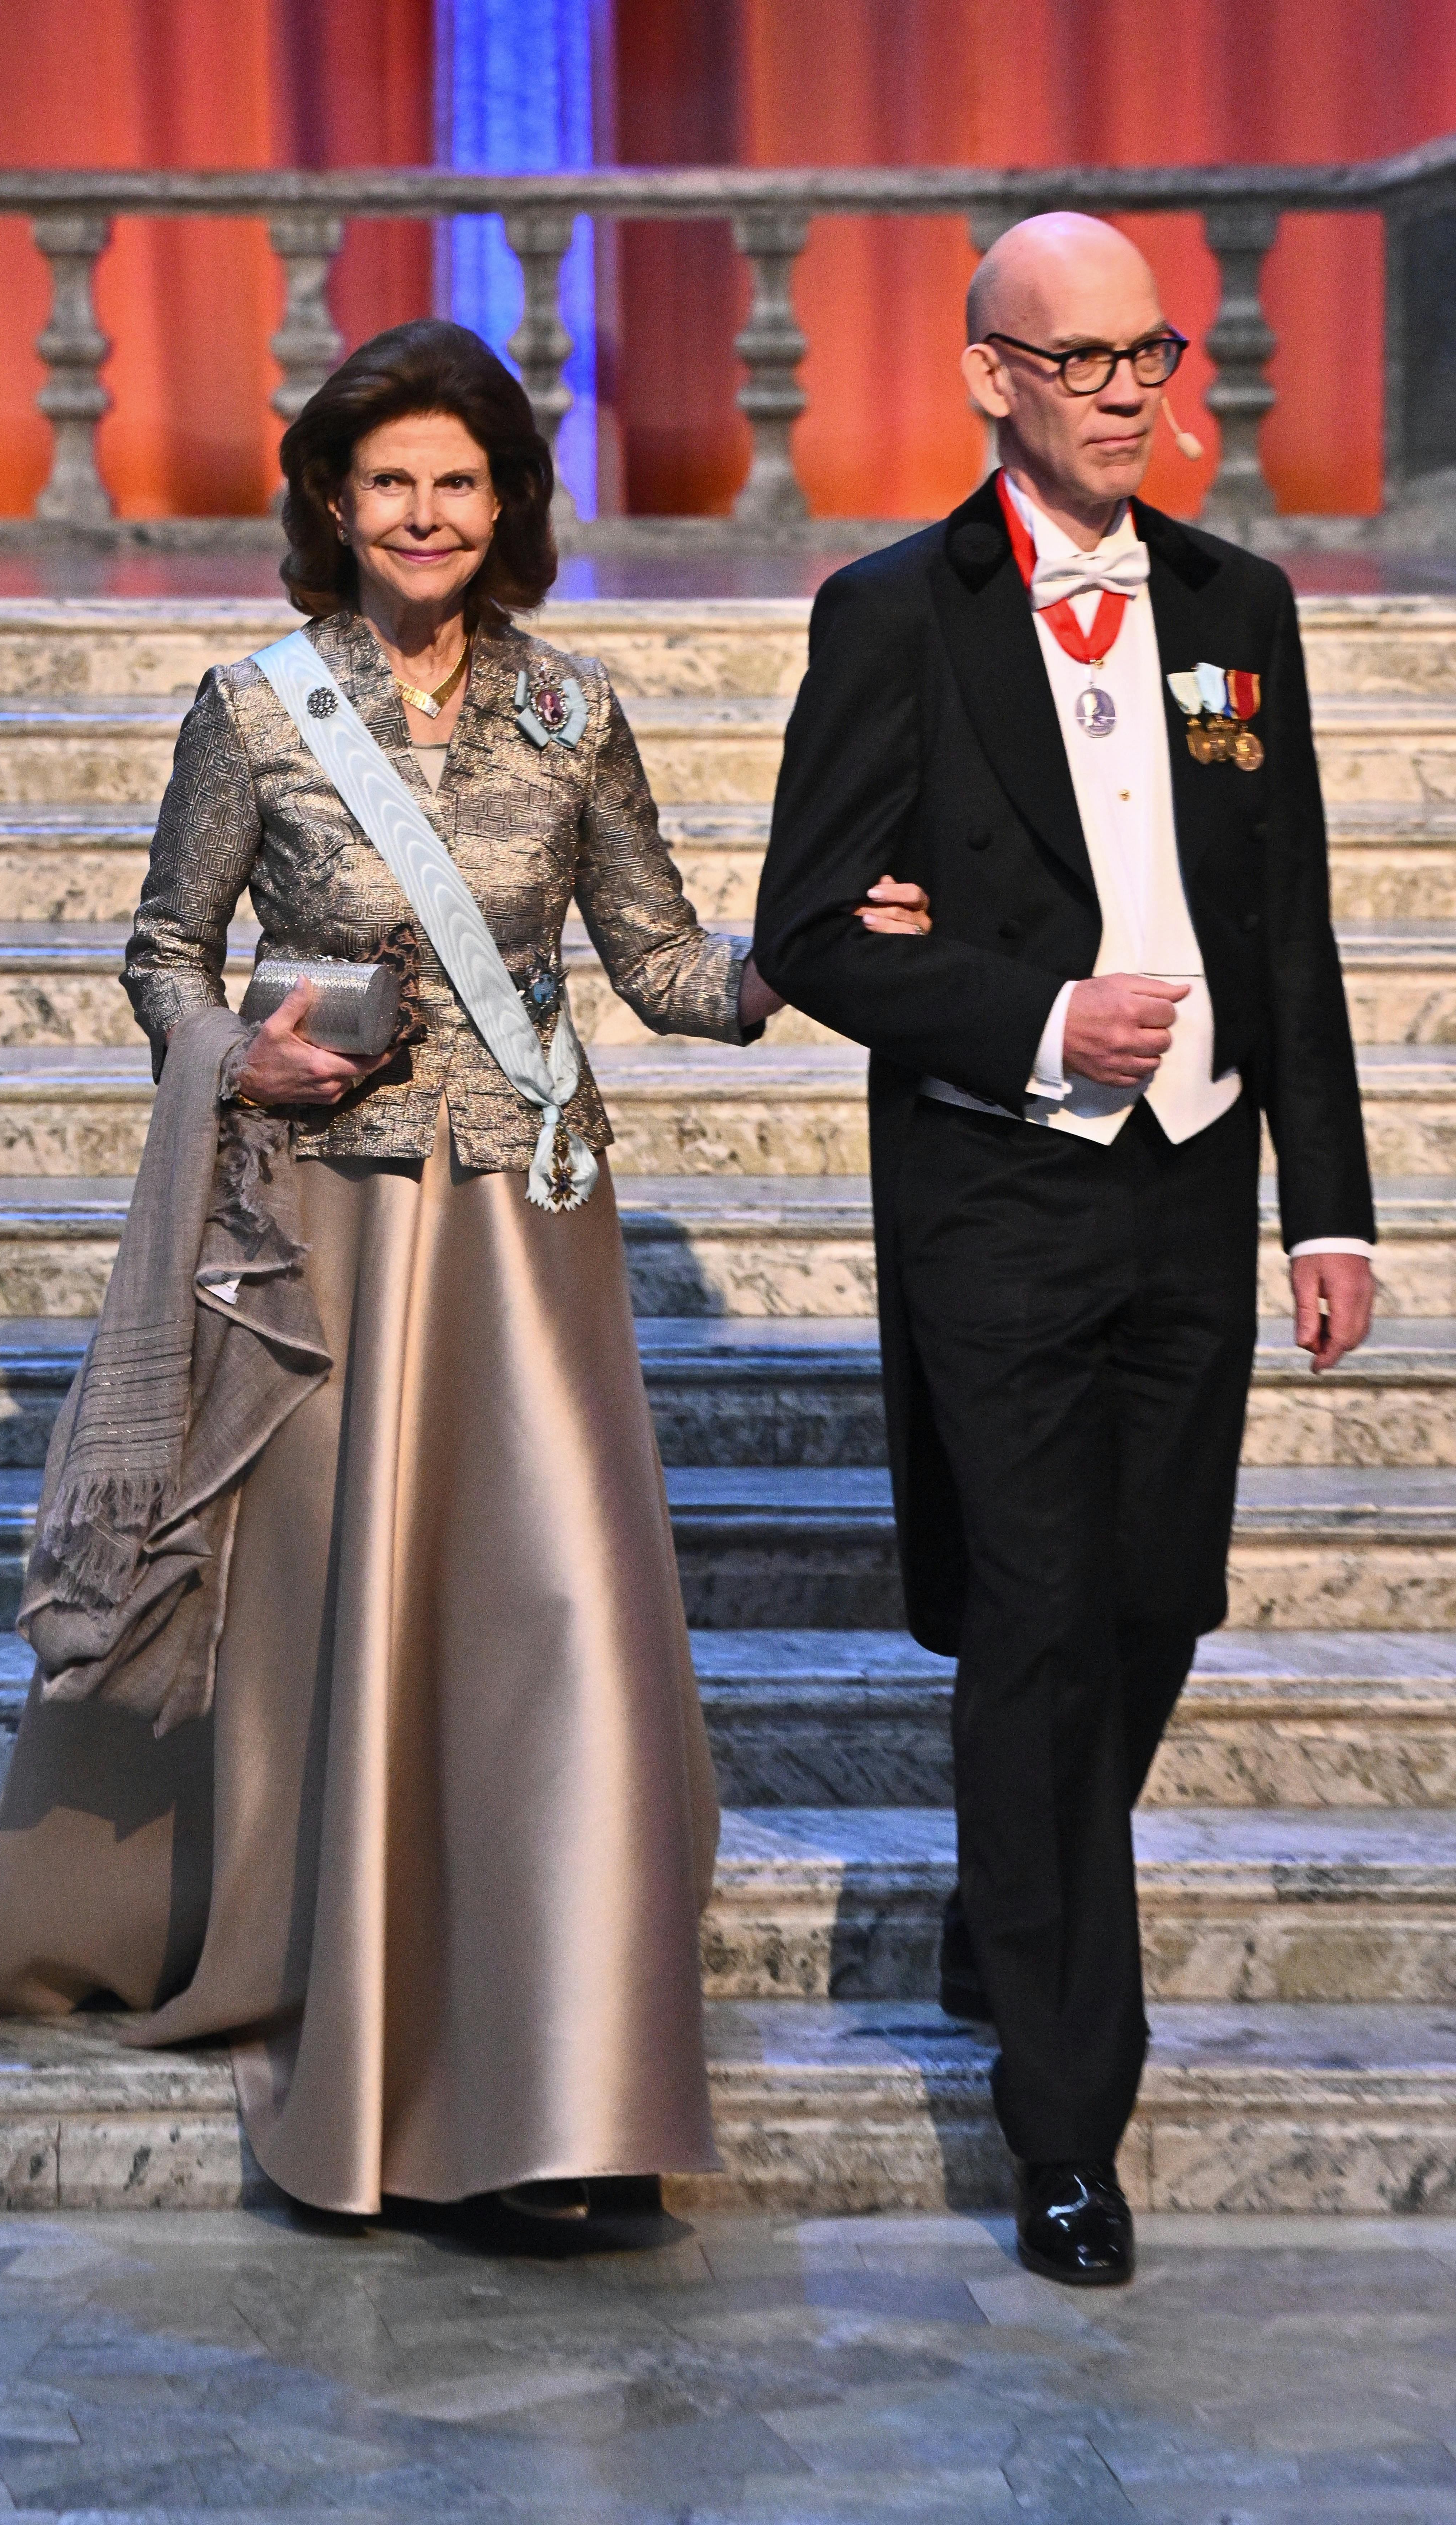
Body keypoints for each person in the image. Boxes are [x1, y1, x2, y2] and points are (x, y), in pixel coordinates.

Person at [0, 316, 933, 2234]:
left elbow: (659, 963)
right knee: (359, 1650)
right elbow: (163, 950)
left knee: (563, 1644)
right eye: (389, 480)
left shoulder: (576, 715)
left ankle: (565, 2086)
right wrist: (237, 1054)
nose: (424, 513)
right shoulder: (250, 710)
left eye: (458, 481)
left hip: (530, 1241)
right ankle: (386, 2091)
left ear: (506, 501)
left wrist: (818, 950)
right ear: (331, 498)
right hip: (318, 1243)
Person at [754, 215, 1374, 2288]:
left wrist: (1335, 1200)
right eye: (1082, 356)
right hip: (1000, 1199)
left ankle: (999, 1888)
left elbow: (1285, 922)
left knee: (1148, 1610)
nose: (1127, 389)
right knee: (1031, 1624)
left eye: (1149, 351)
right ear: (990, 377)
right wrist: (1029, 1020)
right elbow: (811, 931)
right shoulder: (892, 616)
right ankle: (1066, 2126)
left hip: (1195, 1187)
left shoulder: (1237, 606)